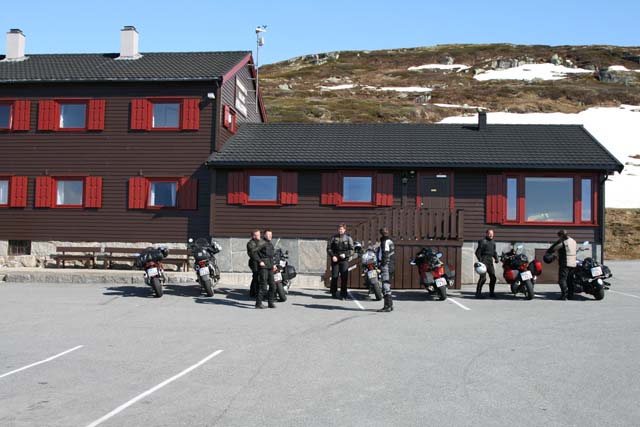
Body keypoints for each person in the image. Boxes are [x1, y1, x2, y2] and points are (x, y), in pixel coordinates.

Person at [546, 229, 577, 300]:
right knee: (570, 280)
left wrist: (557, 242)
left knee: (562, 280)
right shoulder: (573, 241)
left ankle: (564, 295)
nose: (559, 237)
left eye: (559, 236)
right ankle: (571, 295)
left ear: (561, 236)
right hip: (573, 263)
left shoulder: (564, 243)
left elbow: (552, 249)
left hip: (565, 263)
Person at [327, 223, 354, 300]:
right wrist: (333, 256)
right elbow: (329, 248)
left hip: (344, 260)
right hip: (335, 260)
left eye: (341, 229)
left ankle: (343, 294)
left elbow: (352, 250)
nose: (340, 230)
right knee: (334, 276)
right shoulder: (333, 238)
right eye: (339, 229)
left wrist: (346, 255)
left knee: (344, 277)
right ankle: (333, 292)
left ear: (344, 230)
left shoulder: (348, 238)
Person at [475, 229, 499, 298]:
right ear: (486, 234)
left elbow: (494, 252)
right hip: (484, 261)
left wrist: (496, 258)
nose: (491, 235)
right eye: (489, 233)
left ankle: (491, 293)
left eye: (492, 234)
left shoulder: (493, 242)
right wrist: (480, 261)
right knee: (483, 278)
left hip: (490, 261)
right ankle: (478, 293)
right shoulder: (483, 241)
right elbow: (477, 252)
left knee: (493, 278)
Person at [256, 229, 277, 309]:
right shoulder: (261, 243)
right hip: (264, 267)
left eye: (271, 234)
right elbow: (254, 253)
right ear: (264, 235)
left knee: (273, 286)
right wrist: (260, 261)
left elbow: (271, 256)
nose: (270, 236)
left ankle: (270, 302)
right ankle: (258, 304)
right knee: (263, 286)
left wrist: (274, 265)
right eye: (268, 234)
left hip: (270, 267)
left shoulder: (270, 244)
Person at [376, 227, 395, 312]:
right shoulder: (390, 241)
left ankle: (387, 306)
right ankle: (390, 305)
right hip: (390, 265)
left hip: (386, 265)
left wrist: (381, 266)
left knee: (385, 285)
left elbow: (385, 255)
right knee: (387, 285)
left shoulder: (385, 242)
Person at [246, 229, 262, 298]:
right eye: (258, 235)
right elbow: (253, 253)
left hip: (261, 262)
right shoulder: (250, 243)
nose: (259, 236)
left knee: (257, 277)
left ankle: (252, 292)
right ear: (253, 236)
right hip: (254, 263)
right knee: (256, 277)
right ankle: (256, 293)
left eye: (259, 234)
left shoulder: (260, 242)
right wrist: (260, 261)